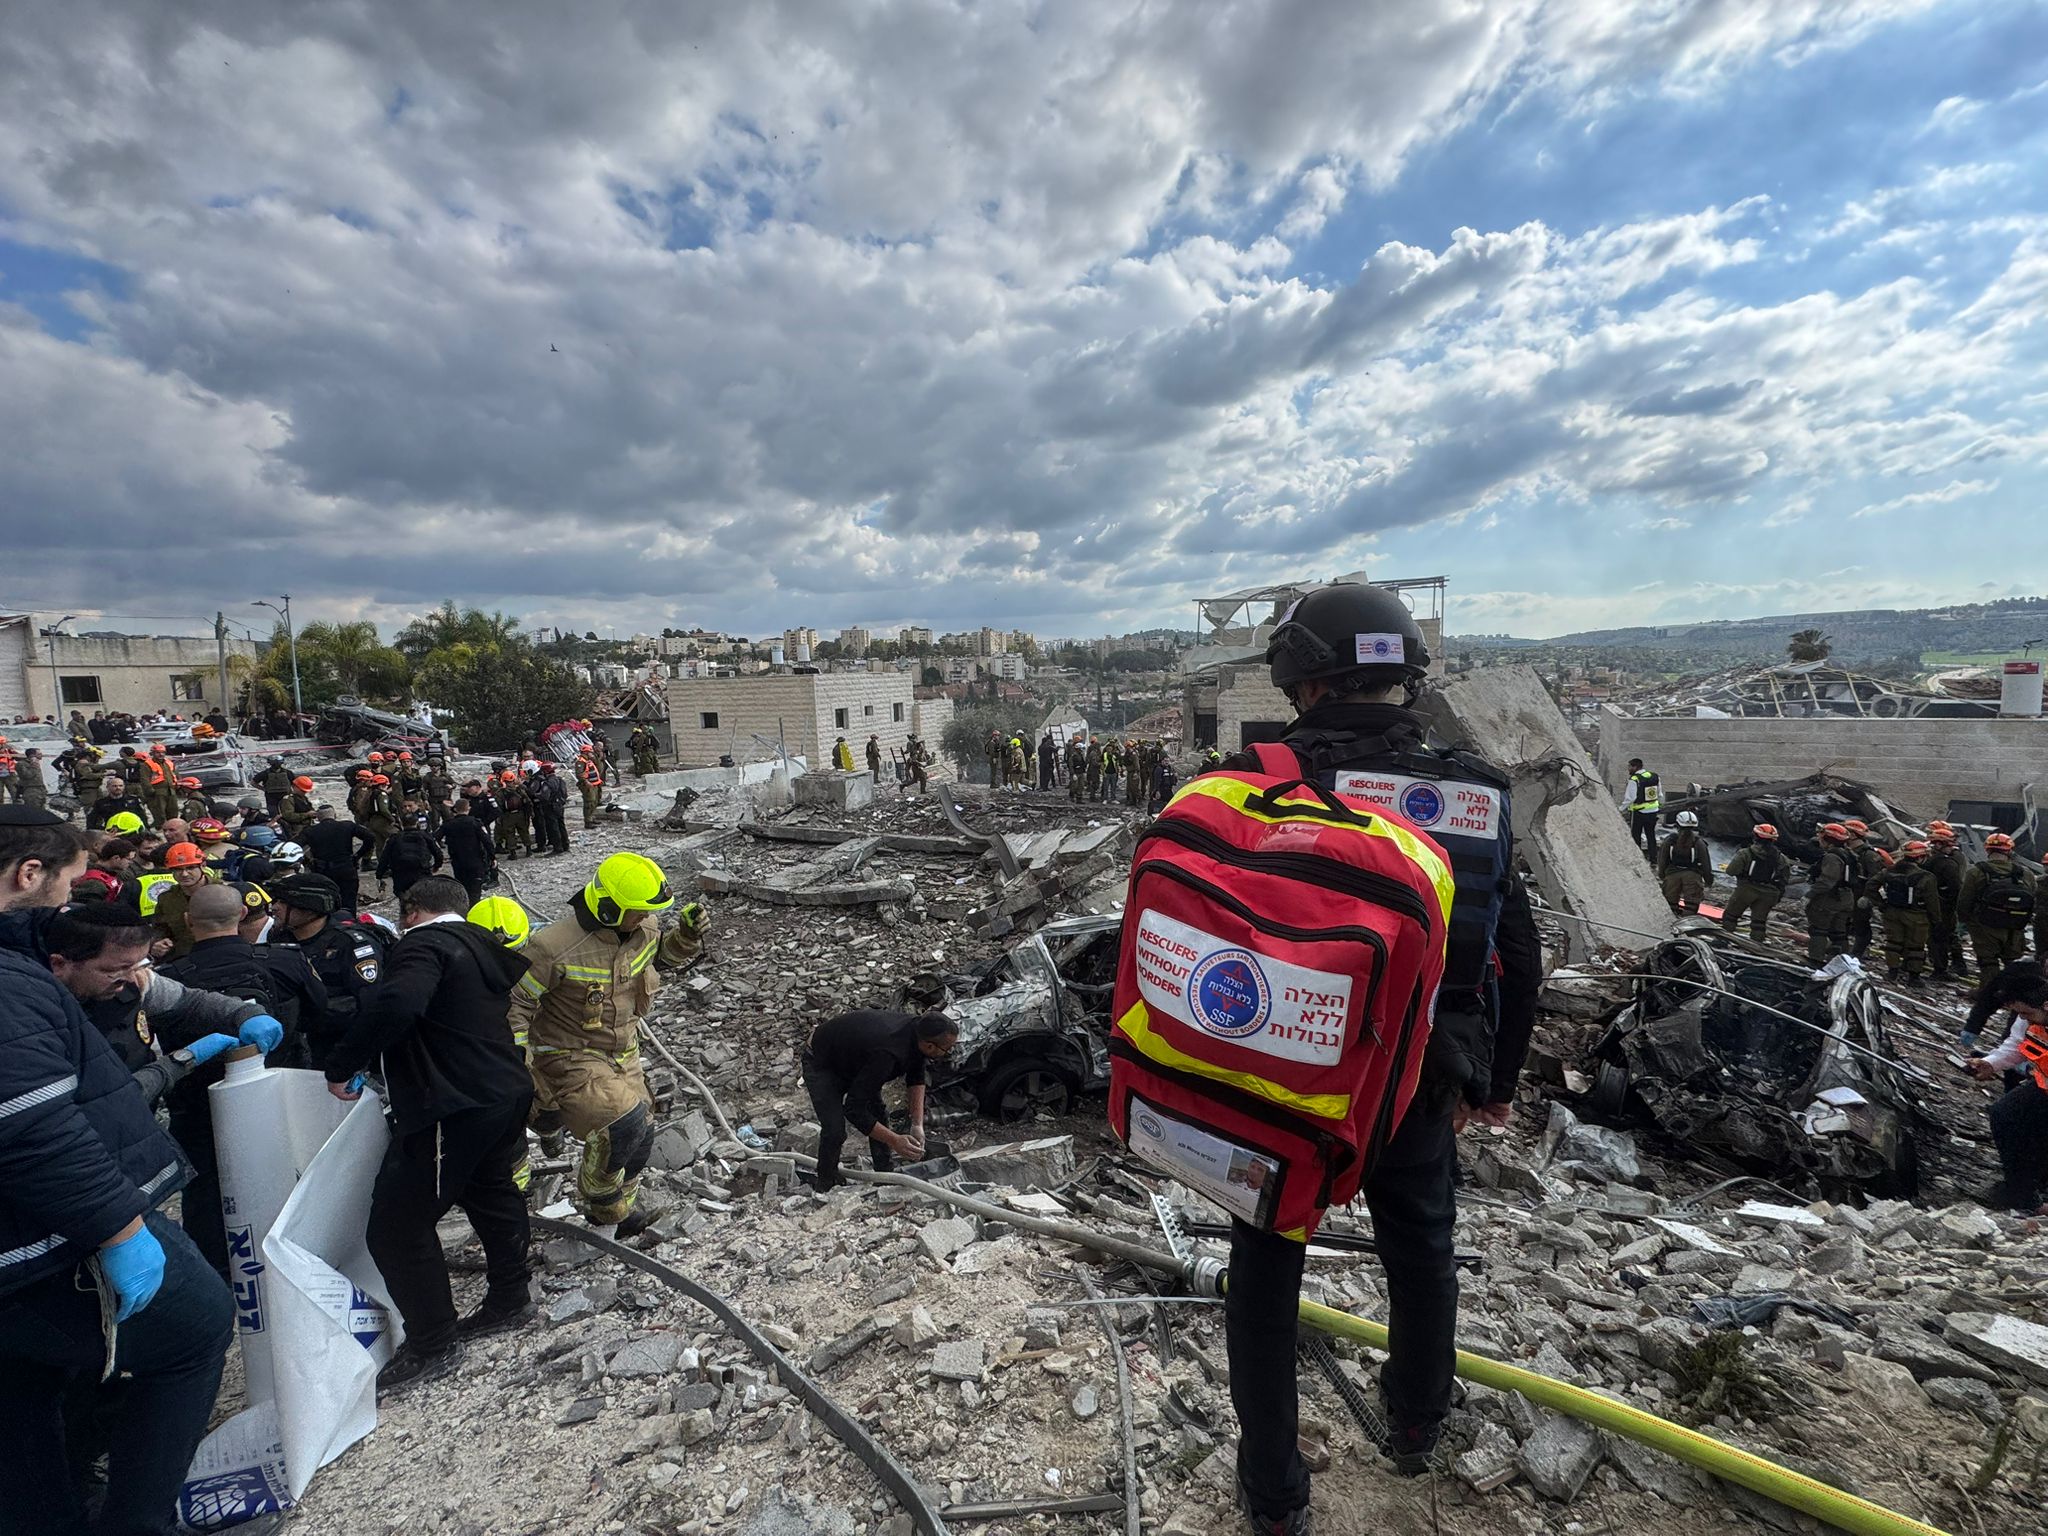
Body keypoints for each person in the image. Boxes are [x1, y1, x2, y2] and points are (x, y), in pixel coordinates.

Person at [1214, 582, 1534, 1524]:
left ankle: (1273, 1492)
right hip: (1420, 1073)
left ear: (1302, 680)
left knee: (1267, 1263)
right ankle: (1415, 1420)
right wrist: (1496, 1081)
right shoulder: (1472, 792)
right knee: (1421, 1247)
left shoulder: (1259, 781)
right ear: (1406, 681)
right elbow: (1517, 950)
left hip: (1286, 1065)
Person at [0, 808, 238, 1536]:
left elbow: (159, 990)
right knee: (197, 1328)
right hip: (48, 1235)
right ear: (28, 873)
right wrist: (120, 1228)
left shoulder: (31, 954)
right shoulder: (9, 986)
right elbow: (30, 1125)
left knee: (23, 1393)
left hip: (28, 1234)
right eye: (66, 883)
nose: (66, 902)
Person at [325, 876, 536, 1389]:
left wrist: (344, 1063)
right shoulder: (482, 944)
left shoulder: (424, 944)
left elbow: (400, 1002)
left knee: (397, 1226)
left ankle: (433, 1342)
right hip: (505, 1090)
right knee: (491, 1191)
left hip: (453, 1102)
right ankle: (511, 1299)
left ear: (412, 910)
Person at [509, 853, 706, 1231]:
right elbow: (517, 1002)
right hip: (569, 1054)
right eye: (637, 911)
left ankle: (613, 1216)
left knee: (642, 1134)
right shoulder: (553, 947)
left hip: (622, 1051)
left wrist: (685, 938)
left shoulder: (644, 930)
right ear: (608, 907)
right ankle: (598, 1194)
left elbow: (658, 960)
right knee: (622, 1122)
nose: (645, 917)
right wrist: (518, 1058)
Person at [800, 1010, 957, 1190]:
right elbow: (854, 1110)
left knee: (878, 1113)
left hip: (857, 1059)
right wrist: (895, 1141)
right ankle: (826, 1184)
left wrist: (917, 1124)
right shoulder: (888, 1053)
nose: (948, 1053)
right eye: (947, 1050)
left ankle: (885, 1175)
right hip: (822, 1063)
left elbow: (916, 1078)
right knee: (834, 1130)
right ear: (929, 1046)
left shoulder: (918, 1032)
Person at [270, 873, 387, 1069]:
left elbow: (369, 1005)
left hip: (338, 1048)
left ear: (309, 907)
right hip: (290, 1048)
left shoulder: (351, 944)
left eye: (283, 902)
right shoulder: (278, 939)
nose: (274, 907)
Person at [1963, 961, 2048, 1213]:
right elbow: (2016, 1045)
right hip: (2043, 1085)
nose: (2022, 1018)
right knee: (2004, 1115)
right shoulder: (2028, 1019)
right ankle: (2022, 1191)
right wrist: (1991, 1063)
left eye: (2026, 1014)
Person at [1958, 833, 2037, 978]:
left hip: (1985, 925)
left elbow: (1965, 901)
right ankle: (2012, 990)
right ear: (2009, 850)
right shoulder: (2025, 874)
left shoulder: (1976, 871)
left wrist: (1966, 921)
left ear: (1987, 850)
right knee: (2014, 964)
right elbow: (2032, 899)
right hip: (2015, 926)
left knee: (1988, 962)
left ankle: (1990, 990)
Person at [1870, 839, 1944, 985]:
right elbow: (1932, 902)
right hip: (1916, 915)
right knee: (1916, 946)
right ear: (1920, 857)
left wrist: (1881, 904)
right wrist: (1936, 920)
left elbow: (1871, 886)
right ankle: (1914, 977)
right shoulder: (1926, 877)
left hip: (1891, 912)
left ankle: (1892, 972)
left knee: (1893, 943)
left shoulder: (1889, 871)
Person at [1718, 824, 1790, 942]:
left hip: (1747, 889)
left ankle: (1723, 940)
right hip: (1769, 893)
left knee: (1730, 916)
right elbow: (1784, 879)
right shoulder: (1781, 858)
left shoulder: (1745, 853)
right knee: (1759, 923)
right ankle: (1757, 945)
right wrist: (1778, 896)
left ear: (1755, 836)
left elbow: (1731, 871)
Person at [151, 840, 220, 959]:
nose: (184, 874)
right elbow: (160, 928)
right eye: (178, 869)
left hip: (218, 955)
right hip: (183, 958)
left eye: (190, 868)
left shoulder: (223, 893)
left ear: (203, 866)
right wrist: (157, 942)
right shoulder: (166, 899)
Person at [304, 804, 375, 914]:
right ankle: (348, 921)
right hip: (346, 868)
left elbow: (293, 845)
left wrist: (307, 861)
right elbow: (370, 837)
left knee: (326, 906)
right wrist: (358, 855)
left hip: (322, 871)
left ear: (318, 817)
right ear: (335, 815)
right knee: (348, 904)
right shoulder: (347, 826)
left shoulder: (310, 831)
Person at [1804, 823, 1857, 964]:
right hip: (1847, 897)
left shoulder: (1832, 857)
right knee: (1839, 933)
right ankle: (1842, 962)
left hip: (1830, 898)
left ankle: (1815, 961)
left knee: (1818, 930)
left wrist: (1809, 895)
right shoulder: (1849, 855)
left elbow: (1827, 881)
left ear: (1828, 840)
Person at [1923, 821, 1968, 983]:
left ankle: (1951, 965)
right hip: (1942, 905)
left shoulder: (1942, 861)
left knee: (1940, 937)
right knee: (1940, 937)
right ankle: (1943, 966)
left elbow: (1956, 884)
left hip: (1939, 905)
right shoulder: (1941, 861)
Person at [440, 797, 497, 908]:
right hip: (475, 861)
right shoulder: (475, 823)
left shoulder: (448, 824)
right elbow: (487, 841)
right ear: (468, 808)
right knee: (475, 891)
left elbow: (434, 838)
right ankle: (474, 911)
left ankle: (464, 911)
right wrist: (492, 857)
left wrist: (439, 857)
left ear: (455, 809)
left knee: (462, 888)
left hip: (458, 862)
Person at [1654, 810, 1712, 915]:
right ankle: (1687, 922)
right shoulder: (1698, 843)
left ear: (1677, 825)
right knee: (1691, 906)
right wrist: (1708, 880)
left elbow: (1662, 860)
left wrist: (1663, 875)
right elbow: (1706, 864)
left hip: (1672, 875)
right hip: (1693, 876)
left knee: (1670, 906)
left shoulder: (1670, 841)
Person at [378, 812, 445, 900]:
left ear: (401, 823)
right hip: (421, 873)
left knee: (404, 900)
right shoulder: (425, 836)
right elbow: (438, 853)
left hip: (401, 875)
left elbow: (384, 858)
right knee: (423, 900)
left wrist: (379, 875)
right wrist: (436, 866)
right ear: (417, 823)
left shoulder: (394, 838)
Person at [1622, 758, 1661, 861]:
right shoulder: (1654, 776)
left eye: (1629, 766)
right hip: (1653, 812)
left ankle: (1637, 859)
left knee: (1636, 836)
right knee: (1651, 835)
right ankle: (1653, 859)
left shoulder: (1634, 779)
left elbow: (1630, 798)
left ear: (1635, 767)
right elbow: (1659, 793)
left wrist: (1621, 809)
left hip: (1639, 812)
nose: (1628, 769)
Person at [532, 763, 571, 856]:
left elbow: (544, 796)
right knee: (561, 825)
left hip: (550, 807)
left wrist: (535, 795)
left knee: (553, 827)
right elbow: (565, 794)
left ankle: (557, 848)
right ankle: (565, 845)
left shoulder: (548, 783)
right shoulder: (560, 780)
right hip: (559, 805)